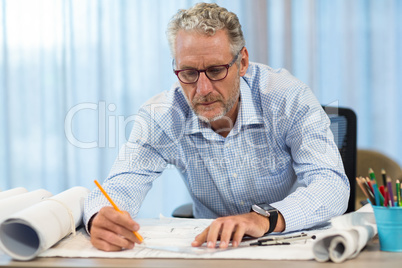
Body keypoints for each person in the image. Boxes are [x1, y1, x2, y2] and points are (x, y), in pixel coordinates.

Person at [84, 2, 349, 252]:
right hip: (210, 251)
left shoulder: (288, 99)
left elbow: (332, 185)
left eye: (215, 70)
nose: (203, 90)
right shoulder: (162, 116)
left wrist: (263, 218)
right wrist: (100, 216)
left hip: (286, 241)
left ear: (242, 62)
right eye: (188, 73)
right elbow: (121, 184)